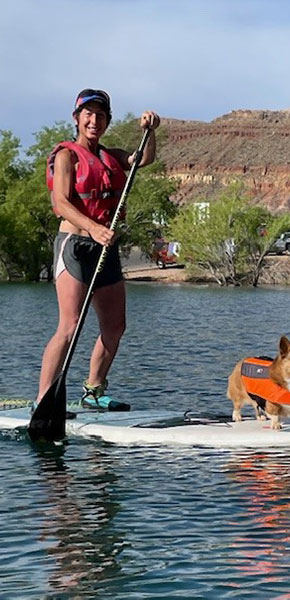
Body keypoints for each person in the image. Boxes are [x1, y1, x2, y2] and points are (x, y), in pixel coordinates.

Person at [36, 89, 160, 411]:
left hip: (105, 249)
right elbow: (60, 202)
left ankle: (93, 390)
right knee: (69, 326)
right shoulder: (67, 156)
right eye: (88, 114)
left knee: (115, 326)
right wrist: (92, 227)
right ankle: (44, 401)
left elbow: (143, 159)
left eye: (101, 115)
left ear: (107, 121)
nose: (94, 121)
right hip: (75, 246)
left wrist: (151, 131)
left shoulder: (112, 156)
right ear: (77, 118)